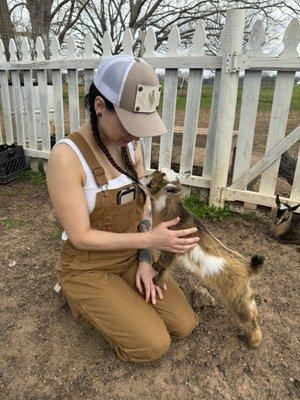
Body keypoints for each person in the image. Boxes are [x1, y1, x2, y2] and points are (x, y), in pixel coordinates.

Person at [46, 54, 200, 363]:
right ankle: (74, 293)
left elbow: (142, 209)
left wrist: (145, 260)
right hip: (87, 266)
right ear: (100, 107)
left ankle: (120, 298)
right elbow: (81, 237)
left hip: (130, 257)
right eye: (130, 123)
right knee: (152, 345)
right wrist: (149, 242)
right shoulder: (66, 158)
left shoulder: (131, 147)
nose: (136, 133)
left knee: (184, 324)